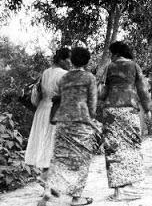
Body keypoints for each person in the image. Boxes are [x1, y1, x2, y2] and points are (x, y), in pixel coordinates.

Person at [38, 47, 98, 206]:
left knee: (59, 158)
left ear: (71, 60)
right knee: (82, 160)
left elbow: (59, 98)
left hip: (62, 123)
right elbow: (92, 103)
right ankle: (76, 198)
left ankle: (48, 190)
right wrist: (94, 119)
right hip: (81, 123)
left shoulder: (64, 78)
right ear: (87, 61)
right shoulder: (89, 78)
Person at [99, 41, 152, 201]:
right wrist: (150, 112)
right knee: (132, 146)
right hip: (129, 109)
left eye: (112, 53)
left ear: (117, 53)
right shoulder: (134, 66)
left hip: (110, 111)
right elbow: (143, 92)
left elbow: (102, 93)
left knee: (113, 148)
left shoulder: (109, 68)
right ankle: (131, 187)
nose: (111, 56)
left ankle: (118, 191)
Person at [25, 48, 71, 189]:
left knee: (46, 144)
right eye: (69, 59)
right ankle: (46, 179)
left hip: (42, 110)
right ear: (62, 60)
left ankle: (47, 181)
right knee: (55, 145)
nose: (70, 63)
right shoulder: (65, 74)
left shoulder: (46, 72)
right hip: (55, 111)